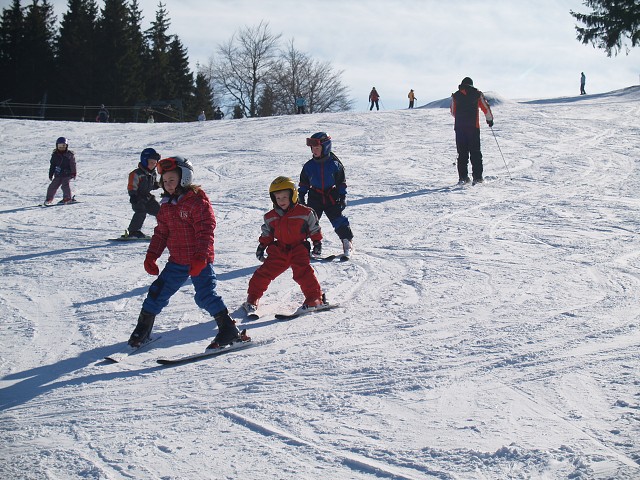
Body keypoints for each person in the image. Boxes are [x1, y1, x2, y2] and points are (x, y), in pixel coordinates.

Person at [128, 156, 244, 350]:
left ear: (185, 178)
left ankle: (229, 330)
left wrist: (201, 257)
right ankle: (143, 329)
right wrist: (152, 256)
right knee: (157, 292)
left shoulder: (197, 202)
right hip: (177, 262)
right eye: (164, 181)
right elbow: (161, 233)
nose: (168, 184)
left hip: (199, 260)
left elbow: (206, 231)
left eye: (172, 180)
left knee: (205, 295)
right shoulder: (166, 205)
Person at [241, 176, 326, 316]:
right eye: (277, 198)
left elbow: (314, 228)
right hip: (279, 249)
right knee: (263, 273)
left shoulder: (305, 213)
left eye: (284, 197)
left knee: (303, 273)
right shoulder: (270, 216)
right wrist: (262, 246)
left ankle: (314, 298)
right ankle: (252, 298)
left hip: (298, 248)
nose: (281, 201)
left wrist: (317, 242)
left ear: (293, 195)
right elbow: (267, 232)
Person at [298, 132, 354, 258]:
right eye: (313, 148)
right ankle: (303, 245)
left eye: (317, 148)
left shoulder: (334, 164)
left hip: (331, 195)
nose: (314, 151)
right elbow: (303, 182)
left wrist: (342, 196)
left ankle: (347, 242)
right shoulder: (309, 166)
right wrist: (301, 195)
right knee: (309, 221)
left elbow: (341, 182)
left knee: (338, 219)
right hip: (315, 196)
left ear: (326, 148)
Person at [450, 77, 494, 185]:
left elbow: (452, 111)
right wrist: (489, 120)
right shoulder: (477, 94)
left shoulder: (456, 96)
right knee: (475, 153)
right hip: (473, 127)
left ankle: (463, 178)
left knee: (462, 153)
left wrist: (460, 118)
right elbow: (485, 107)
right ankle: (477, 178)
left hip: (460, 128)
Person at [123, 148, 162, 239]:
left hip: (147, 197)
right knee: (141, 211)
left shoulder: (152, 174)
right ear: (144, 161)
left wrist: (160, 184)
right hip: (138, 198)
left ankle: (165, 229)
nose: (153, 165)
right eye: (151, 162)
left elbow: (153, 185)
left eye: (155, 163)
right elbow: (132, 186)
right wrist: (133, 195)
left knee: (160, 211)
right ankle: (133, 231)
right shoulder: (136, 174)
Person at [44, 137, 77, 205]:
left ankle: (67, 198)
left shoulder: (69, 155)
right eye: (60, 146)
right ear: (57, 146)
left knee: (65, 185)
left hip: (67, 173)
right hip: (58, 174)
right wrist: (51, 174)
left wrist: (73, 173)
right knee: (52, 186)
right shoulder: (55, 155)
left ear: (66, 146)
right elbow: (52, 165)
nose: (62, 148)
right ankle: (49, 199)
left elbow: (72, 164)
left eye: (63, 146)